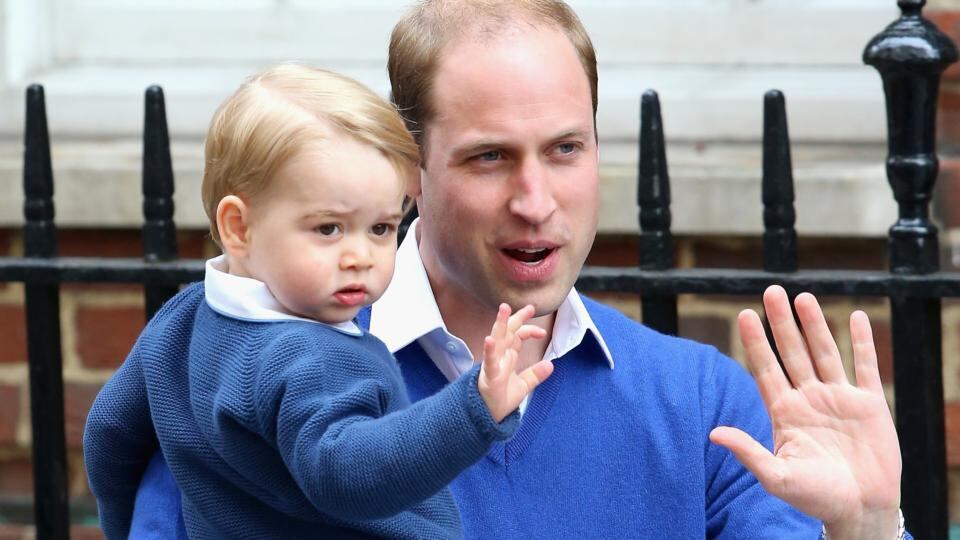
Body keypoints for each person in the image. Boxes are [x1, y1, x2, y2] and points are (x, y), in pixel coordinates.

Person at [126, 1, 908, 538]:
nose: (535, 201)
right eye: (490, 157)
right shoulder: (240, 371)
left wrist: (869, 527)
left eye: (566, 149)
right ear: (414, 174)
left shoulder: (703, 403)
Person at [82, 63, 556, 539]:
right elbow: (347, 474)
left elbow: (109, 435)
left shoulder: (181, 321)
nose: (360, 257)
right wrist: (472, 408)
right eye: (328, 228)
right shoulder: (311, 359)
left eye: (381, 228)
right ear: (239, 228)